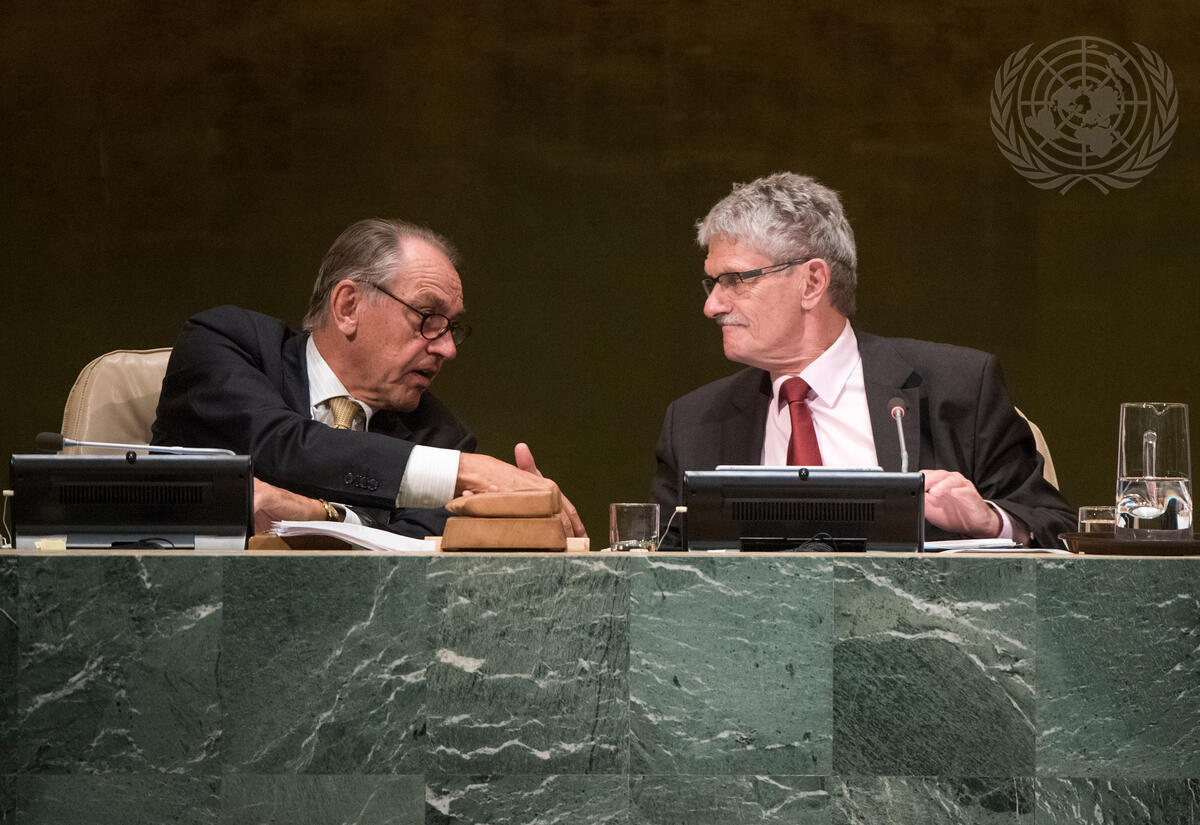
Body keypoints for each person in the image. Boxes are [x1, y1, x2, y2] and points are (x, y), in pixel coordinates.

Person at [653, 172, 1073, 548]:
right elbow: (657, 568)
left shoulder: (957, 388)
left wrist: (990, 521)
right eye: (713, 283)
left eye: (734, 280)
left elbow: (1057, 526)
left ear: (812, 282)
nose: (712, 305)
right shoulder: (693, 423)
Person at [153, 218, 584, 538]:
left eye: (451, 327)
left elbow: (415, 548)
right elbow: (276, 445)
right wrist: (465, 471)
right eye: (428, 317)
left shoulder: (439, 436)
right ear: (348, 307)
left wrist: (323, 516)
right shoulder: (226, 343)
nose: (447, 349)